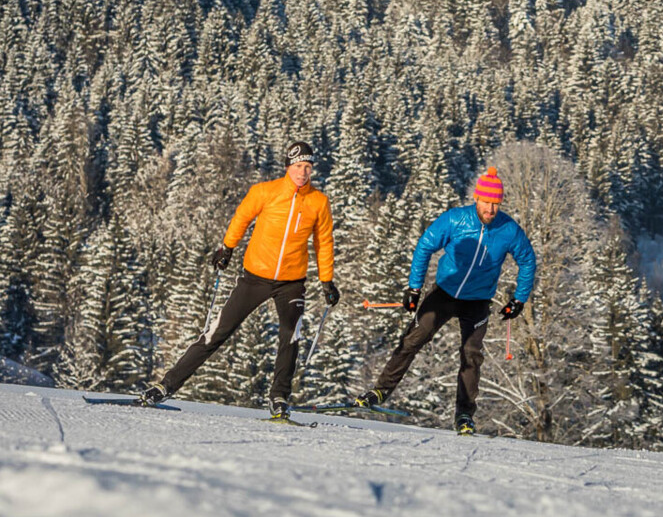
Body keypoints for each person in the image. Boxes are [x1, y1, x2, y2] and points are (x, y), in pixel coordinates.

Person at [140, 141, 340, 419]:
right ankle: (166, 386)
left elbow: (324, 241)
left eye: (307, 167)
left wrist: (327, 281)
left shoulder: (319, 202)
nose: (303, 172)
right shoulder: (265, 192)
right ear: (288, 167)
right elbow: (242, 218)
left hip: (292, 282)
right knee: (217, 332)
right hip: (255, 277)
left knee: (290, 335)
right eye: (298, 166)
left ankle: (279, 398)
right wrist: (227, 248)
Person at [354, 166, 537, 435]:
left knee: (471, 355)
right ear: (477, 198)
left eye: (496, 203)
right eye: (487, 202)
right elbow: (425, 245)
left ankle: (464, 415)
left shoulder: (508, 229)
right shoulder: (455, 219)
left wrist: (519, 300)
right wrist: (414, 288)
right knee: (413, 339)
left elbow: (528, 260)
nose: (491, 209)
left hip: (478, 301)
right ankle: (379, 392)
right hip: (444, 293)